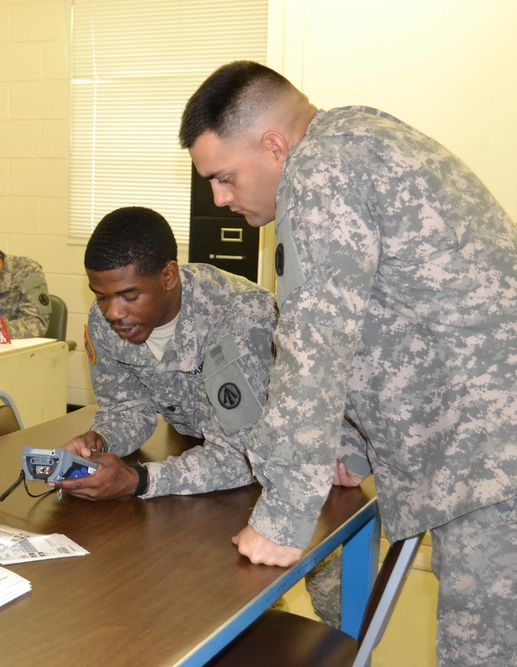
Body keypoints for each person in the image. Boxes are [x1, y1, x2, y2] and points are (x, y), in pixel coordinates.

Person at [181, 60, 517, 666]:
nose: (219, 198)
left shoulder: (319, 172)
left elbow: (316, 344)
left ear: (275, 145)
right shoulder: (361, 139)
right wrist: (354, 449)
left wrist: (282, 517)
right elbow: (396, 321)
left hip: (494, 462)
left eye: (224, 177)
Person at [55, 206, 350, 627]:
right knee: (228, 596)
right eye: (101, 296)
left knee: (335, 598)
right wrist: (98, 441)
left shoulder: (238, 315)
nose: (113, 313)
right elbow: (127, 408)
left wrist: (138, 480)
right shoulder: (104, 322)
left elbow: (240, 456)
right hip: (205, 463)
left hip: (289, 460)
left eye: (129, 295)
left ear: (169, 276)